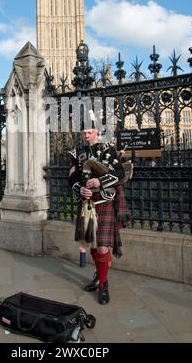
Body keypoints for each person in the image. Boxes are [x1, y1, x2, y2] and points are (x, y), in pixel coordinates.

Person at [68, 128, 131, 305]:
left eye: (89, 132)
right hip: (86, 203)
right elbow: (72, 178)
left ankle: (103, 285)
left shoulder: (108, 150)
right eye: (83, 132)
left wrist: (100, 181)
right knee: (93, 245)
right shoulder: (76, 154)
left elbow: (121, 173)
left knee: (103, 247)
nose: (86, 135)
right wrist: (80, 189)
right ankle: (99, 275)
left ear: (97, 132)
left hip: (104, 201)